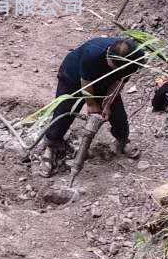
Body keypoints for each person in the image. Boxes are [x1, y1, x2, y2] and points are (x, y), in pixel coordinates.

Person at [44, 36, 145, 173]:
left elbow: (119, 82)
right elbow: (86, 81)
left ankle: (122, 139)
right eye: (115, 68)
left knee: (119, 115)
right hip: (73, 78)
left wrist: (108, 103)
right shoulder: (93, 53)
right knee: (64, 112)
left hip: (104, 83)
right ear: (109, 55)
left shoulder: (131, 60)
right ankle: (52, 145)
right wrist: (91, 105)